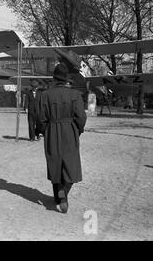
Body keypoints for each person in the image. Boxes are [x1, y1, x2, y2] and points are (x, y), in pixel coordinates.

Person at [38, 63, 87, 213]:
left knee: (55, 162)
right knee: (70, 164)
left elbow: (41, 118)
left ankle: (58, 195)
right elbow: (81, 117)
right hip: (70, 130)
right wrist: (77, 130)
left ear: (54, 78)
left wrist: (46, 132)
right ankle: (63, 192)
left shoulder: (45, 95)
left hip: (52, 130)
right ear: (67, 79)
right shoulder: (75, 95)